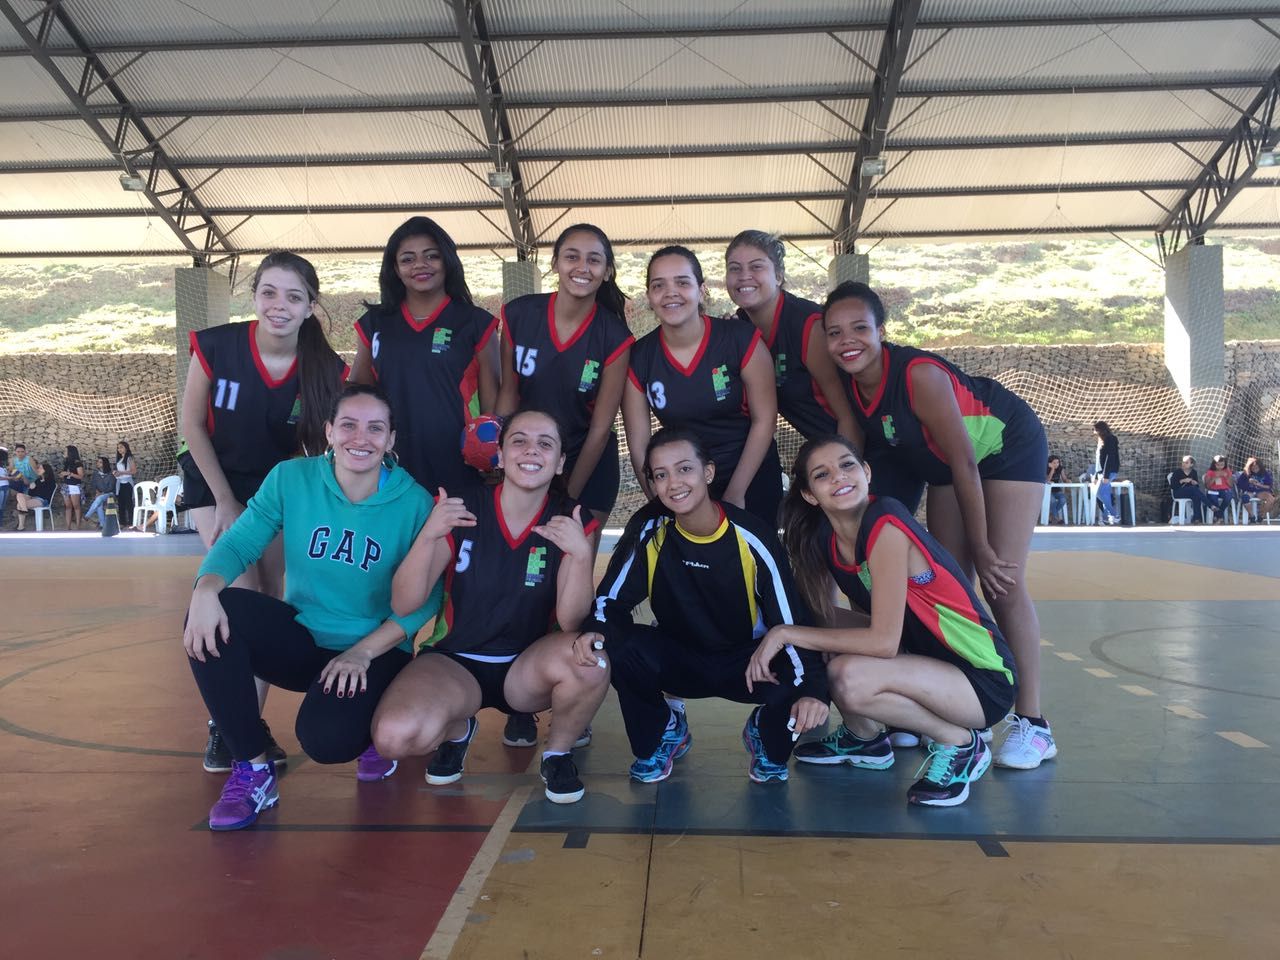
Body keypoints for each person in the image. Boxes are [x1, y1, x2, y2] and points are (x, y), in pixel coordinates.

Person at [183, 384, 442, 831]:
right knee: (212, 615)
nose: (361, 438)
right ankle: (253, 769)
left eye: (375, 428)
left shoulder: (416, 504)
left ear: (391, 440)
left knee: (325, 740)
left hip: (372, 652)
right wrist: (205, 590)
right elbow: (242, 541)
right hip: (303, 637)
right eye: (349, 425)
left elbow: (427, 599)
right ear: (328, 431)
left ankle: (372, 726)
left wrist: (364, 651)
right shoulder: (291, 479)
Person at [824, 282, 1052, 771]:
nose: (849, 340)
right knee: (946, 591)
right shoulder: (850, 383)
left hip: (1003, 448)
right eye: (835, 332)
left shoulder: (918, 375)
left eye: (860, 328)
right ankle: (949, 710)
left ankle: (1033, 723)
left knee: (1002, 581)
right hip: (943, 467)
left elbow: (966, 462)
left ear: (881, 331)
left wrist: (985, 548)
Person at [764, 437, 1017, 806]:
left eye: (847, 465)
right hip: (929, 668)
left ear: (866, 472)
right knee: (826, 638)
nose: (839, 477)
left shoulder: (886, 523)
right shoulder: (827, 538)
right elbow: (825, 616)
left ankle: (959, 742)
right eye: (823, 474)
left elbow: (883, 642)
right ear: (809, 495)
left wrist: (786, 633)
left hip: (982, 679)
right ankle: (864, 737)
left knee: (846, 674)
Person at [372, 409, 607, 805]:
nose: (531, 451)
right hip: (454, 662)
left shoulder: (570, 519)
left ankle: (558, 753)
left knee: (593, 661)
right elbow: (404, 602)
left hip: (527, 668)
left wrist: (581, 557)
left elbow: (570, 622)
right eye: (519, 440)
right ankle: (457, 730)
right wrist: (429, 536)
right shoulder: (460, 509)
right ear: (498, 454)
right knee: (394, 737)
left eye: (545, 444)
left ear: (560, 461)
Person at [179, 251, 349, 773]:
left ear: (310, 306)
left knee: (269, 604)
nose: (280, 305)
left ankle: (243, 728)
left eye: (294, 296)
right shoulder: (217, 345)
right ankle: (227, 730)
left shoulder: (325, 370)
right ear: (253, 297)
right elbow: (191, 425)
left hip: (276, 490)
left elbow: (322, 451)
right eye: (270, 293)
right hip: (214, 481)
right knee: (237, 594)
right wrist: (226, 501)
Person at [593, 428, 828, 785]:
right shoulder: (648, 529)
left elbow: (791, 619)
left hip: (751, 665)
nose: (674, 483)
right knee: (621, 646)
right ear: (653, 484)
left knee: (796, 676)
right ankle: (664, 731)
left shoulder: (751, 536)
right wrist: (595, 632)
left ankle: (765, 731)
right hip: (682, 659)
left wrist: (813, 690)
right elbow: (611, 601)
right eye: (661, 475)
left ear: (708, 473)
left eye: (684, 469)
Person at [494, 223, 632, 749]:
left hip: (582, 475)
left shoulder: (614, 335)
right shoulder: (521, 313)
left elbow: (601, 427)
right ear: (554, 261)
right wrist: (506, 464)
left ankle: (569, 697)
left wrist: (564, 494)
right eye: (571, 255)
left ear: (607, 269)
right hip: (524, 465)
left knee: (566, 591)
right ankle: (518, 702)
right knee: (514, 581)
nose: (582, 266)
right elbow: (509, 393)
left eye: (595, 259)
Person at [623, 245, 783, 524]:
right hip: (684, 484)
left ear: (702, 290)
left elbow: (765, 420)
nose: (670, 292)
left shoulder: (740, 339)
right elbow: (639, 443)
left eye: (682, 282)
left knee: (752, 564)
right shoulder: (640, 358)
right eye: (658, 285)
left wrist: (736, 492)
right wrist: (658, 496)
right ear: (649, 296)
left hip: (749, 476)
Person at [350, 215, 499, 493]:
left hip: (457, 467)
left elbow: (491, 407)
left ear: (448, 261)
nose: (420, 264)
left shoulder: (477, 323)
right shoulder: (375, 323)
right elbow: (356, 393)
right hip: (389, 464)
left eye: (432, 256)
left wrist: (491, 458)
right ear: (394, 268)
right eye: (407, 259)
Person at [724, 230, 856, 441]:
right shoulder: (740, 327)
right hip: (823, 448)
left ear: (778, 276)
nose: (744, 276)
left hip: (856, 449)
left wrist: (849, 469)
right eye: (734, 269)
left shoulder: (809, 325)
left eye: (756, 266)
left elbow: (849, 419)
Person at [1080, 421, 1121, 525]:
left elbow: (1109, 458)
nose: (1094, 432)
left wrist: (1105, 475)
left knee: (1100, 493)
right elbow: (1099, 460)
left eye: (1095, 430)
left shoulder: (1111, 439)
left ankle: (1114, 514)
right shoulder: (1100, 441)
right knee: (1104, 494)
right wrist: (1097, 475)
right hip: (1101, 472)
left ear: (1100, 430)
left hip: (1109, 471)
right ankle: (1106, 517)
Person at [14, 460, 56, 530]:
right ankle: (25, 511)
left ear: (46, 470)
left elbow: (46, 493)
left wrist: (36, 486)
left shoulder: (50, 481)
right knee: (19, 495)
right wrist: (31, 488)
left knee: (19, 505)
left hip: (42, 500)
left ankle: (21, 526)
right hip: (32, 498)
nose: (38, 469)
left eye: (40, 468)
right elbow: (31, 493)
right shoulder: (37, 480)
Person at [1169, 455, 1206, 524]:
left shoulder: (1193, 472)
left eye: (1186, 463)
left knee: (1196, 496)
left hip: (1189, 492)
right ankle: (1209, 504)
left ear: (1191, 464)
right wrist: (1182, 481)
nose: (1183, 464)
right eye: (1183, 462)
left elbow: (1196, 487)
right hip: (1178, 492)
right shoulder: (1177, 472)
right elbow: (1173, 486)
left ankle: (1196, 519)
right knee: (1193, 489)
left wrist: (1195, 483)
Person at [1202, 454, 1236, 523]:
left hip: (1224, 490)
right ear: (1214, 464)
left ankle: (1219, 514)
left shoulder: (1227, 471)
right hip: (1213, 490)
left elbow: (1231, 485)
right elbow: (1207, 486)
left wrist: (1226, 477)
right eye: (1218, 465)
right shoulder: (1210, 472)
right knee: (1213, 499)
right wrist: (1214, 477)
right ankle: (1220, 517)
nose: (1220, 467)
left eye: (1222, 465)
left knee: (1229, 496)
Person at [83, 456, 116, 528]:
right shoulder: (96, 474)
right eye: (98, 462)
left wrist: (101, 493)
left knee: (99, 498)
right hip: (100, 494)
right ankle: (102, 525)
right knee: (99, 502)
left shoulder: (111, 475)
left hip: (109, 493)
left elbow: (111, 487)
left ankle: (88, 515)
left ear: (105, 464)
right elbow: (93, 485)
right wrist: (97, 492)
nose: (98, 463)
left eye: (100, 462)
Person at [60, 445, 85, 530]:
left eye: (65, 451)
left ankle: (78, 526)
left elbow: (81, 476)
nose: (64, 453)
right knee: (68, 507)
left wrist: (69, 474)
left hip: (74, 486)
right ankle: (68, 527)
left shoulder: (77, 463)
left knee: (76, 506)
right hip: (66, 486)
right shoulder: (66, 462)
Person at [113, 441, 137, 531]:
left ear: (126, 448)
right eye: (118, 448)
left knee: (129, 503)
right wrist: (115, 473)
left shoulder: (129, 458)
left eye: (121, 447)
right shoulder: (119, 459)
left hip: (127, 483)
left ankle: (131, 522)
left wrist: (121, 473)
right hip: (120, 483)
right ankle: (122, 522)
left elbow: (134, 471)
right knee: (121, 503)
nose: (119, 449)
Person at [1046, 455, 1068, 525]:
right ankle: (1057, 518)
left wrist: (1068, 480)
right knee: (1052, 501)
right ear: (1049, 463)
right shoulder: (1046, 468)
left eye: (1057, 462)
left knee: (1063, 500)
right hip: (1048, 490)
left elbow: (1064, 479)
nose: (1056, 464)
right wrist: (1052, 469)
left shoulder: (1060, 468)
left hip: (1057, 490)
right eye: (1054, 463)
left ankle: (1051, 515)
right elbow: (1047, 480)